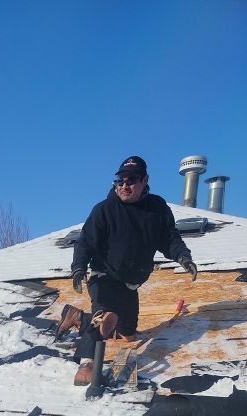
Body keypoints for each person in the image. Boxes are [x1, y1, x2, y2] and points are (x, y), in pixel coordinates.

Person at [56, 155, 198, 385]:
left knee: (128, 335)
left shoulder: (157, 208)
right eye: (119, 181)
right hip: (104, 277)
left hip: (130, 286)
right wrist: (79, 267)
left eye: (130, 180)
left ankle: (77, 316)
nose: (124, 186)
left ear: (144, 181)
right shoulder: (104, 210)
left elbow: (169, 238)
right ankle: (86, 364)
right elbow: (86, 242)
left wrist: (183, 257)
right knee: (104, 318)